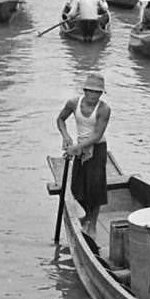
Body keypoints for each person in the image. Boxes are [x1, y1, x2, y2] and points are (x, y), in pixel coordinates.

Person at [57, 73, 110, 232]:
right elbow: (60, 119)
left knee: (95, 189)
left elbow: (97, 135)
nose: (93, 95)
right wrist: (66, 136)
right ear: (85, 90)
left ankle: (92, 224)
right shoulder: (73, 103)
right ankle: (87, 215)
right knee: (77, 188)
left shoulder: (104, 109)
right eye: (90, 91)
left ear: (101, 93)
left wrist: (77, 148)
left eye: (97, 92)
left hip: (97, 148)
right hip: (80, 146)